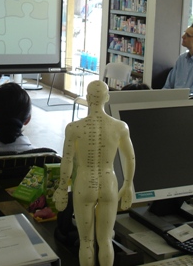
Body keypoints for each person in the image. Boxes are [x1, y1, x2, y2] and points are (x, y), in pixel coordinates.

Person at [54, 80, 135, 266]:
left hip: (84, 183)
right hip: (109, 183)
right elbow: (130, 158)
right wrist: (128, 184)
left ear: (87, 98)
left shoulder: (74, 128)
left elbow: (67, 160)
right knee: (106, 240)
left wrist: (62, 187)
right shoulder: (120, 127)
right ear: (107, 97)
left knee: (86, 242)